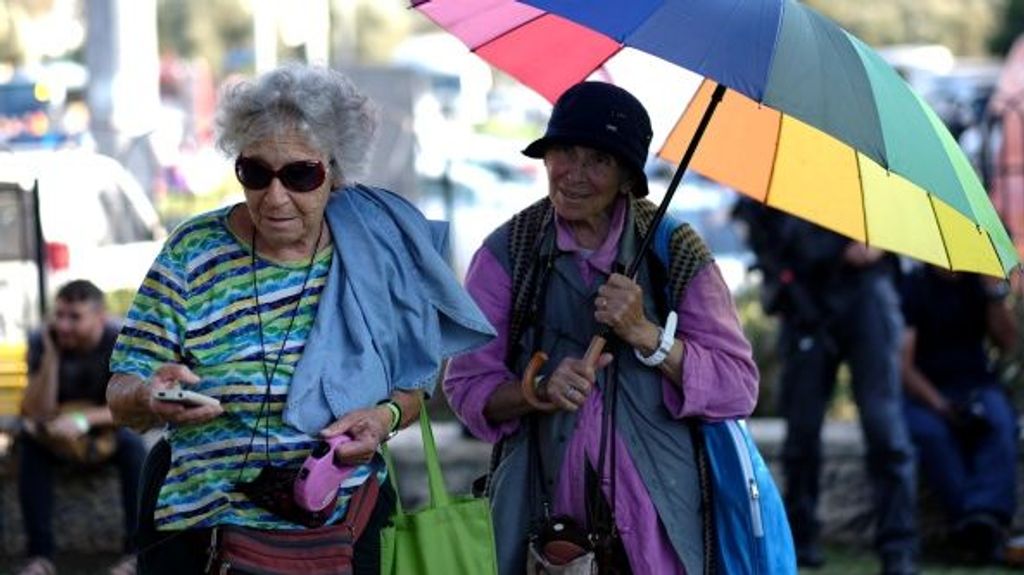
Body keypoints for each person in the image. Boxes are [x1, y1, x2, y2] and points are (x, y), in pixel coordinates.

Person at [105, 64, 493, 575]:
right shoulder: (192, 252)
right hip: (204, 531)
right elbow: (122, 395)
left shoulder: (378, 249)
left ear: (335, 171)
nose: (275, 196)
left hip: (342, 530)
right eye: (255, 172)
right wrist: (148, 396)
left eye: (300, 175)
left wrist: (384, 419)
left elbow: (412, 387)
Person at [444, 81, 759, 574]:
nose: (574, 174)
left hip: (661, 518)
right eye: (563, 152)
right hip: (539, 517)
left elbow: (737, 387)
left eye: (598, 160)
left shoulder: (675, 252)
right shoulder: (509, 251)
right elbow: (466, 387)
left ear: (627, 179)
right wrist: (538, 389)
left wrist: (647, 335)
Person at [733, 200, 919, 574]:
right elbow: (761, 225)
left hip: (866, 293)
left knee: (885, 431)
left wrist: (881, 239)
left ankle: (898, 547)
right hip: (805, 298)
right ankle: (800, 539)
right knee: (801, 434)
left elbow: (902, 211)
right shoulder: (788, 156)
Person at [16, 279, 146, 575]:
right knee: (29, 445)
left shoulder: (118, 341)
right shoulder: (43, 340)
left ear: (99, 317)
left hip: (107, 429)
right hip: (56, 434)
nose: (63, 325)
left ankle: (135, 553)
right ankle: (40, 557)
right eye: (59, 315)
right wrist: (51, 355)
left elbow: (133, 407)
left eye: (74, 317)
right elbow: (37, 411)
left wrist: (83, 420)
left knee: (134, 446)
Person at [900, 264, 1019, 565]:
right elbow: (904, 366)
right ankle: (974, 525)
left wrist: (994, 292)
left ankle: (983, 520)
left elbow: (1008, 342)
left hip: (976, 385)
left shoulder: (978, 284)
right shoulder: (914, 286)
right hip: (926, 393)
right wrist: (939, 404)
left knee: (1001, 425)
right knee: (934, 435)